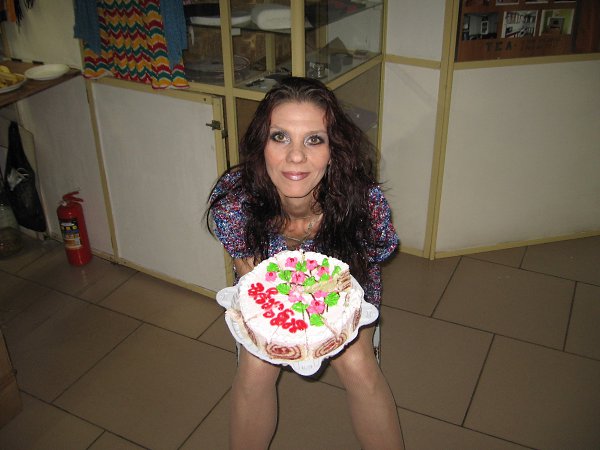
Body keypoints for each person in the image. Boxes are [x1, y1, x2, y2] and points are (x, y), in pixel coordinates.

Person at [208, 77, 403, 450]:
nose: (295, 157)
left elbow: (374, 260)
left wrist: (325, 304)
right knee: (255, 369)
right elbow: (248, 271)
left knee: (359, 367)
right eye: (280, 137)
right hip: (272, 297)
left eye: (314, 139)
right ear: (262, 143)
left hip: (345, 291)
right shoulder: (236, 198)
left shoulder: (364, 202)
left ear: (333, 149)